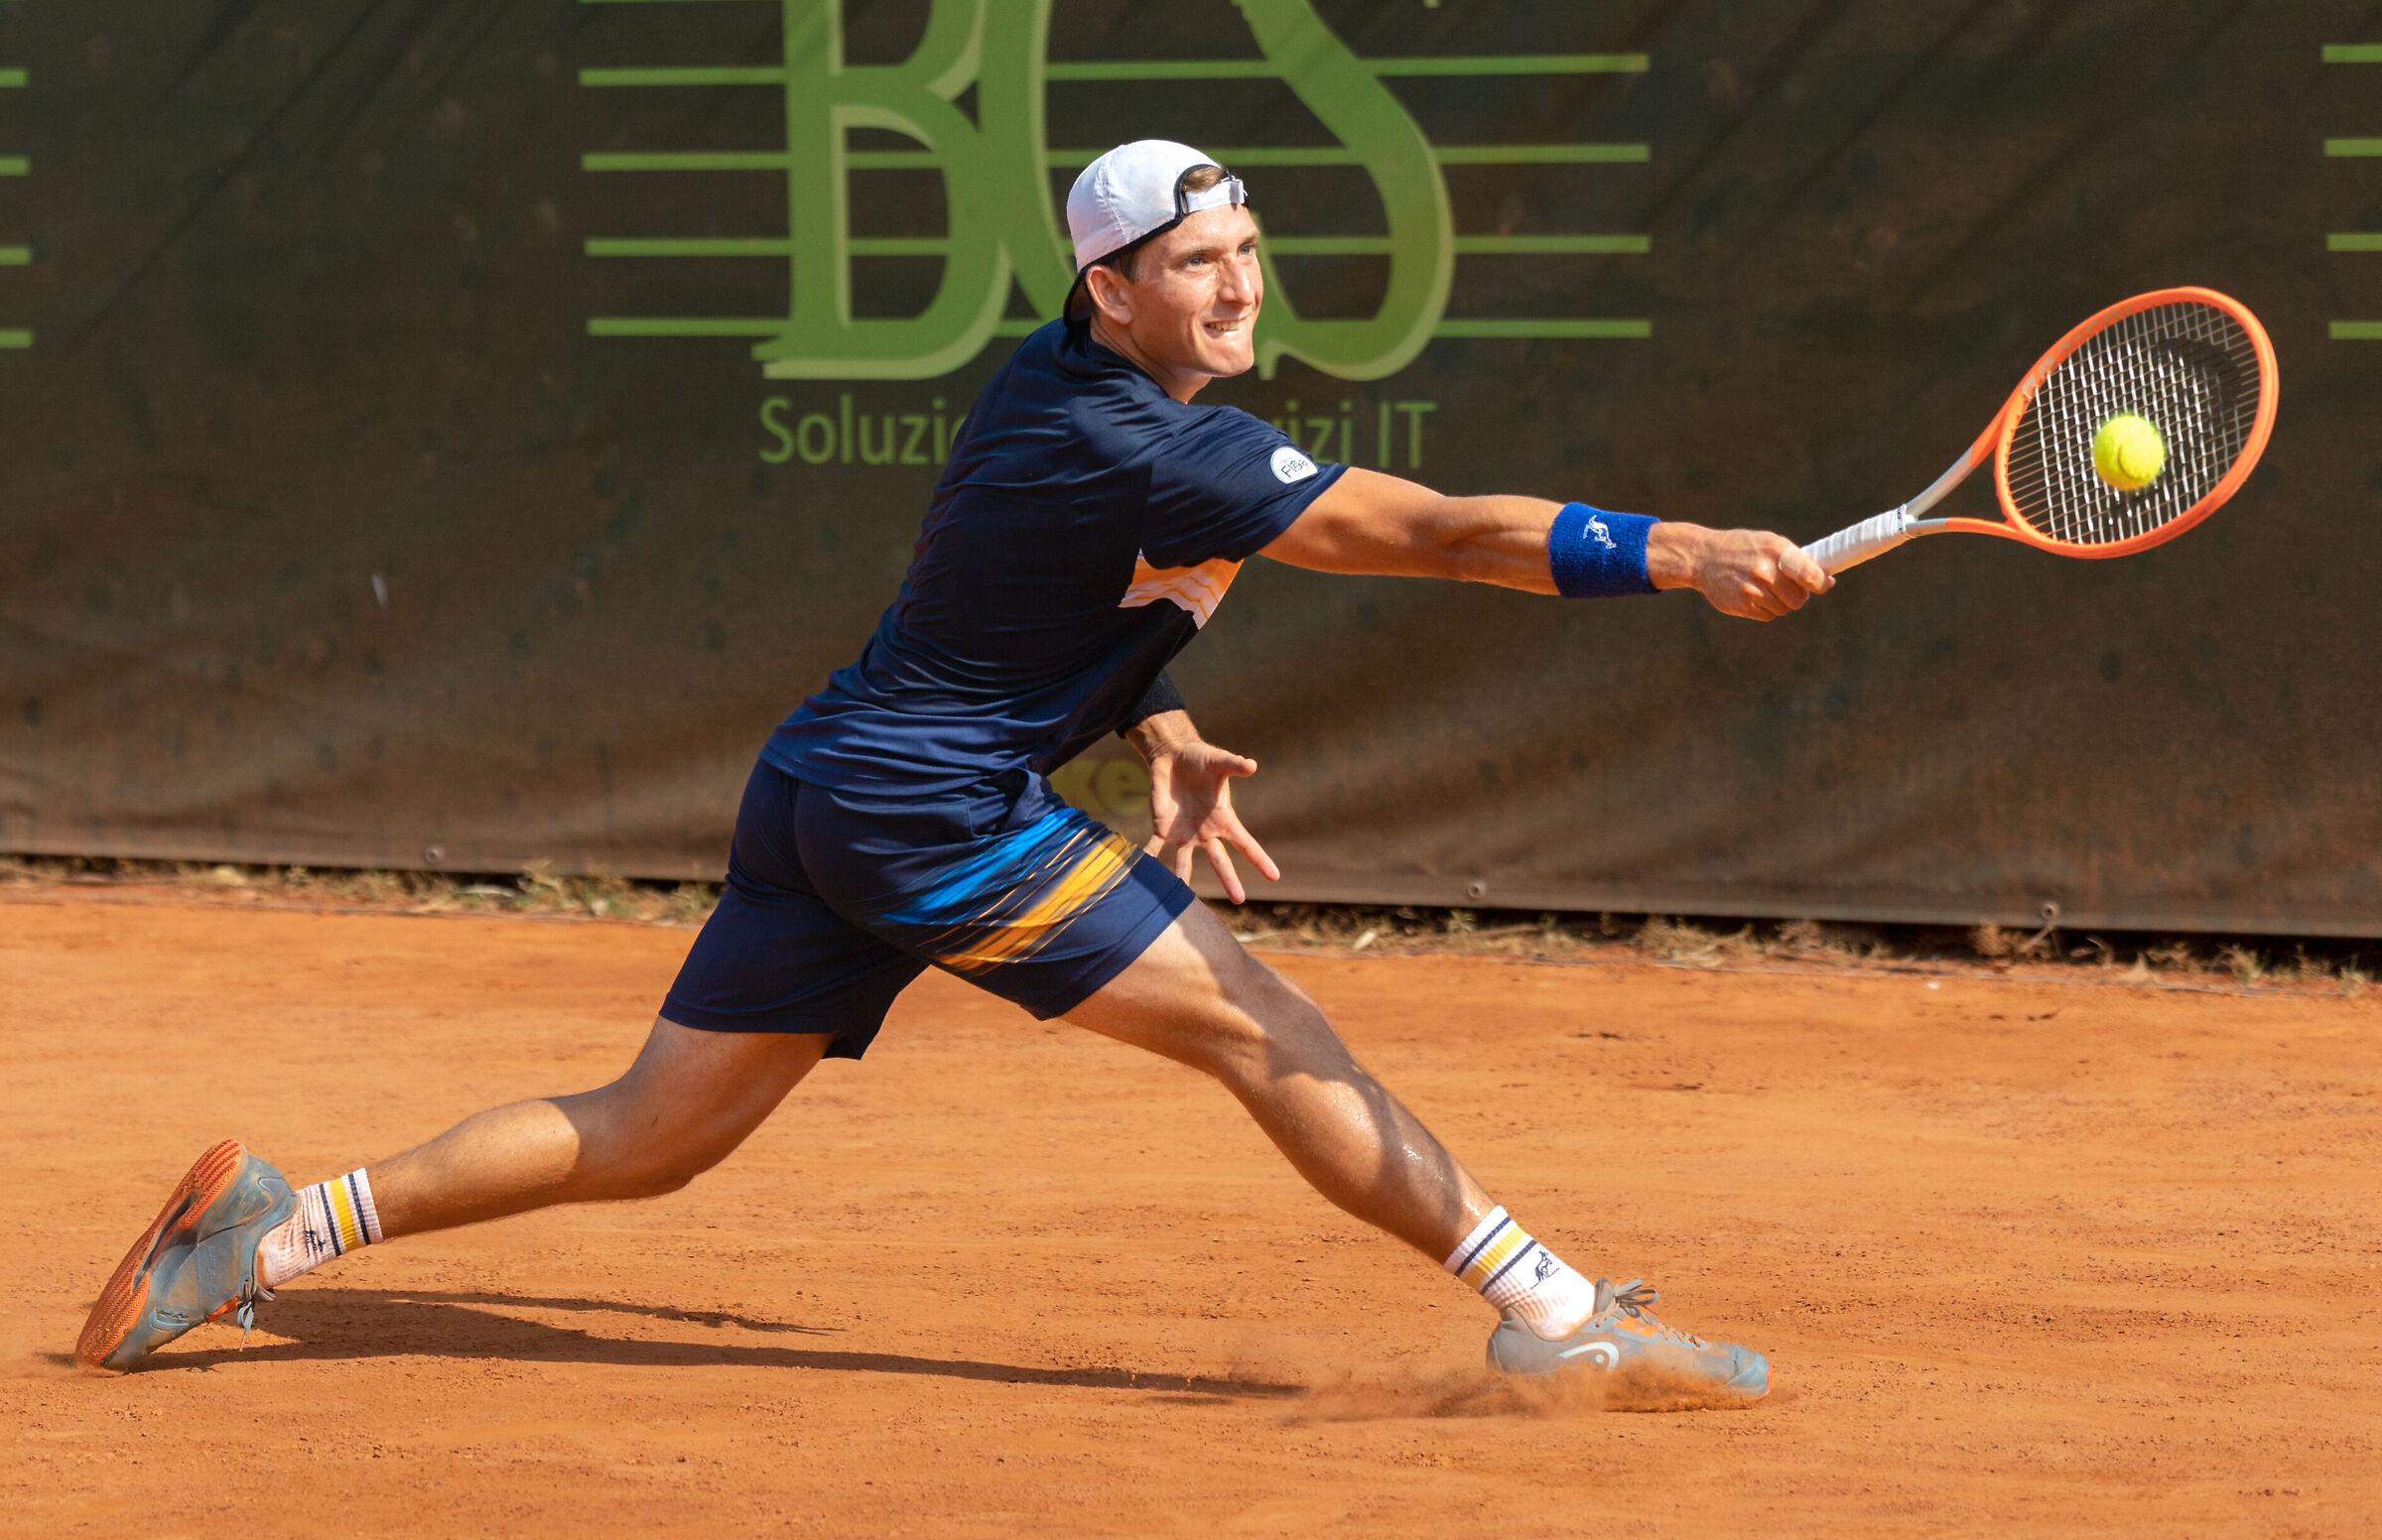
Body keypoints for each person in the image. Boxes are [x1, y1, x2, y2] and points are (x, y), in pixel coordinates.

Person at [77, 140, 1830, 1394]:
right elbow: (1445, 536)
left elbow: (1023, 595)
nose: (1239, 282)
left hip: (832, 783)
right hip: (927, 812)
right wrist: (1685, 551)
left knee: (650, 1136)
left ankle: (268, 1235)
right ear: (1112, 287)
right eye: (1199, 261)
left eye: (1247, 250)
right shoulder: (1167, 446)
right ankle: (1553, 1309)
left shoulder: (1048, 389)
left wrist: (1146, 716)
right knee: (1261, 1028)